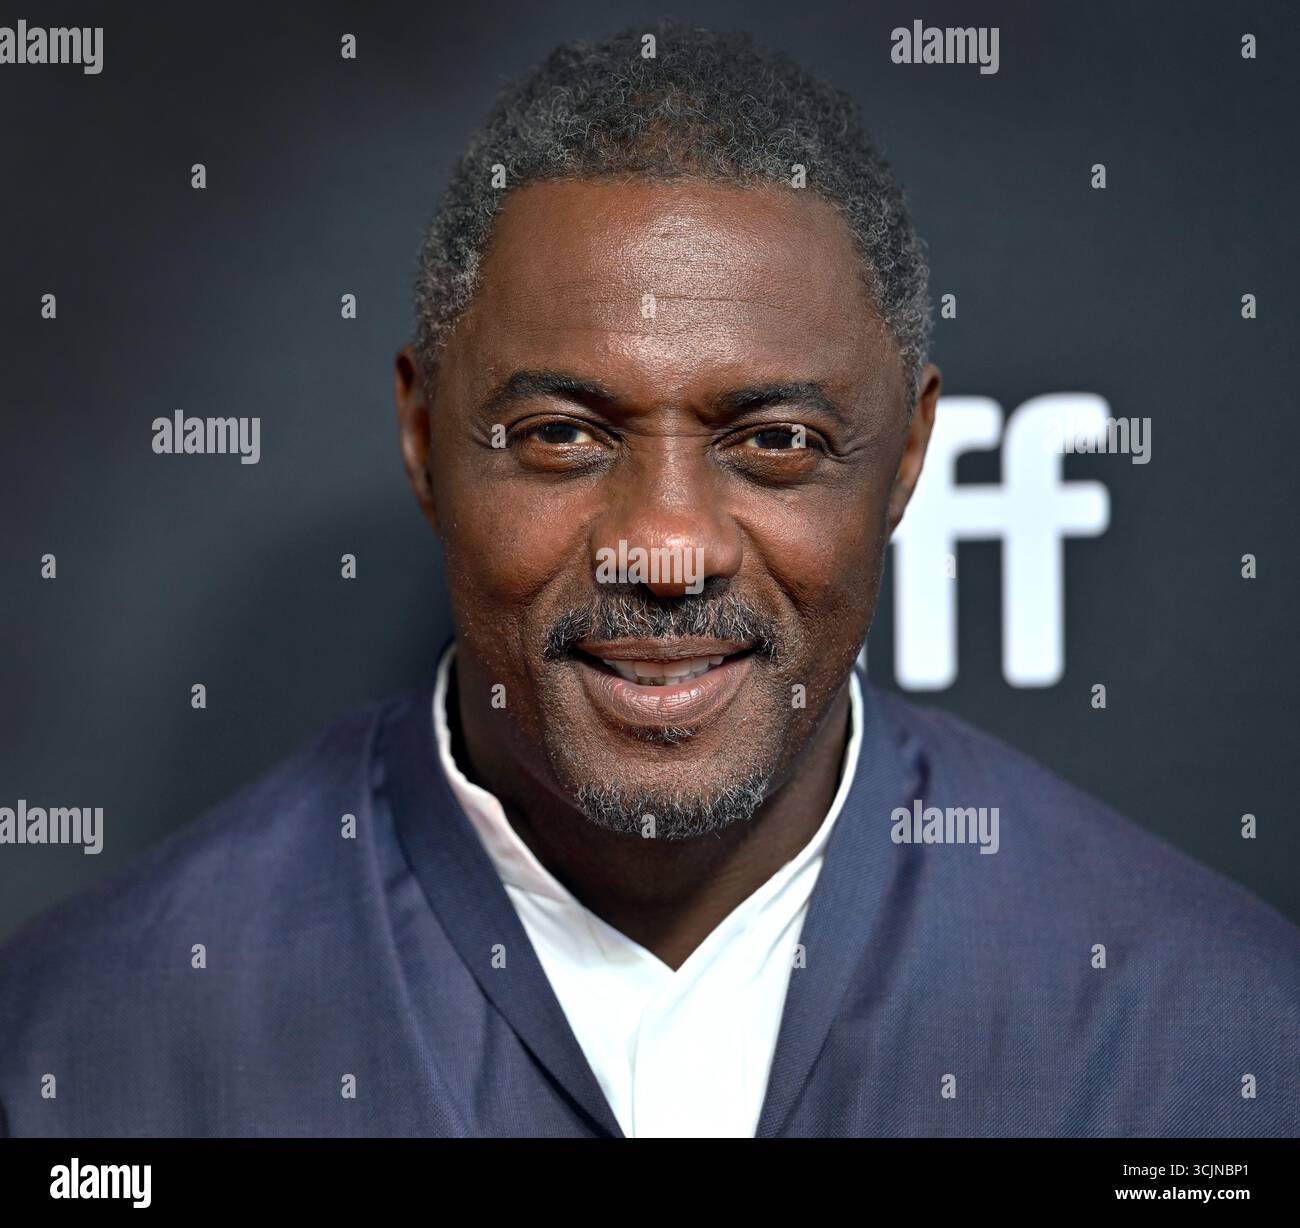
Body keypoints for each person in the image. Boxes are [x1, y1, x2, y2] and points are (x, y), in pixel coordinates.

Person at [1, 21, 1295, 1138]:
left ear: (906, 455)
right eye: (564, 435)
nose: (665, 549)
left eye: (773, 442)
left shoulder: (1207, 1030)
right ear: (421, 437)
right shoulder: (92, 1045)